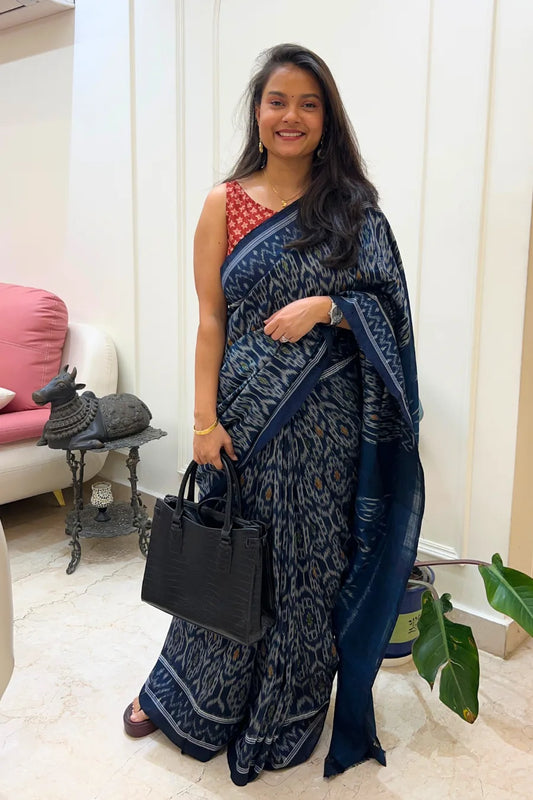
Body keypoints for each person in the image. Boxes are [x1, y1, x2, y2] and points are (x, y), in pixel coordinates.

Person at [123, 43, 424, 785]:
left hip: (326, 436)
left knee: (304, 576)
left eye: (308, 103)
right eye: (277, 101)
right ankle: (186, 698)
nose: (291, 116)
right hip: (243, 426)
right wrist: (201, 423)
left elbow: (389, 312)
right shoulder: (224, 204)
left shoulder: (353, 210)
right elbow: (209, 323)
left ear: (326, 120)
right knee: (227, 562)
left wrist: (331, 307)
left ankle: (285, 713)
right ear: (258, 114)